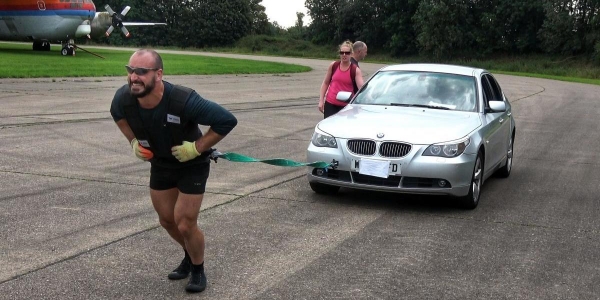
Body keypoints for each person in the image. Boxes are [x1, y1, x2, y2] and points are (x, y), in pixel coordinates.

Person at [110, 49, 237, 294]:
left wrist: (197, 147)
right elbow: (117, 116)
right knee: (167, 221)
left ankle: (198, 268)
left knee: (185, 223)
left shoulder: (182, 100)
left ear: (158, 74)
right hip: (161, 163)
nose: (134, 77)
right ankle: (189, 256)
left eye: (141, 72)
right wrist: (134, 142)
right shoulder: (123, 98)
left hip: (192, 164)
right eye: (130, 70)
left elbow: (226, 120)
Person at [318, 40, 365, 118]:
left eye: (347, 53)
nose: (344, 55)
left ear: (351, 54)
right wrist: (321, 100)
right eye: (342, 52)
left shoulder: (355, 70)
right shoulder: (333, 66)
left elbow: (361, 89)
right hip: (330, 105)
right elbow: (326, 83)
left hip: (346, 108)